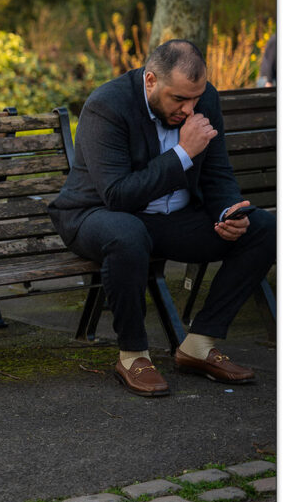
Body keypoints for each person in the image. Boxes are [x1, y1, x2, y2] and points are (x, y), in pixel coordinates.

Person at [48, 39, 276, 397]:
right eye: (179, 99)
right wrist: (183, 152)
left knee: (263, 228)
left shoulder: (203, 98)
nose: (189, 109)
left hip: (171, 220)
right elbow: (117, 195)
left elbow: (217, 172)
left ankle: (198, 345)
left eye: (195, 99)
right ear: (151, 80)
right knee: (127, 234)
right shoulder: (107, 105)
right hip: (97, 215)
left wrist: (228, 212)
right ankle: (133, 355)